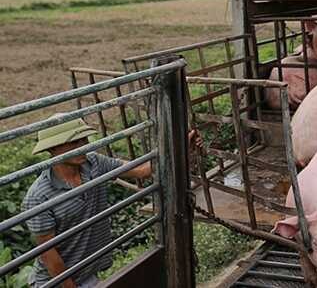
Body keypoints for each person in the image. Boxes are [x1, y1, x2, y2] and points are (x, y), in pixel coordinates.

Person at [22, 116, 202, 288]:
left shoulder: (93, 163)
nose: (83, 146)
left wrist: (182, 148)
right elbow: (48, 255)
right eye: (74, 142)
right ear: (53, 149)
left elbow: (141, 170)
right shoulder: (38, 197)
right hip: (57, 282)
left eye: (84, 140)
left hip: (86, 273)